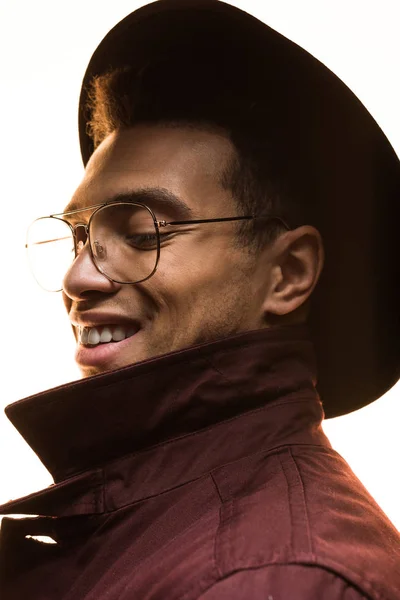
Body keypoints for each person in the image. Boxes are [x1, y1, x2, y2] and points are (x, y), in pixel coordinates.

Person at [1, 0, 399, 598]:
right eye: (82, 236)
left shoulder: (274, 575)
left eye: (142, 235)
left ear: (288, 273)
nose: (78, 278)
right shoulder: (151, 534)